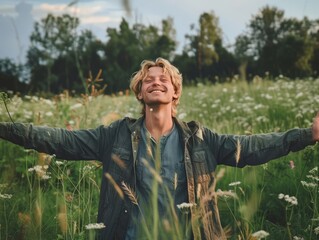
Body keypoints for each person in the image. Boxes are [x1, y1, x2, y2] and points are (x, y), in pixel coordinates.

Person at [0, 57, 318, 240]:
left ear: (174, 92)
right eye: (148, 79)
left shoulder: (201, 140)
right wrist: (7, 128)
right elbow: (61, 140)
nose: (156, 81)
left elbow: (249, 147)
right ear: (140, 92)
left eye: (163, 78)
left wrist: (307, 134)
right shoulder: (115, 136)